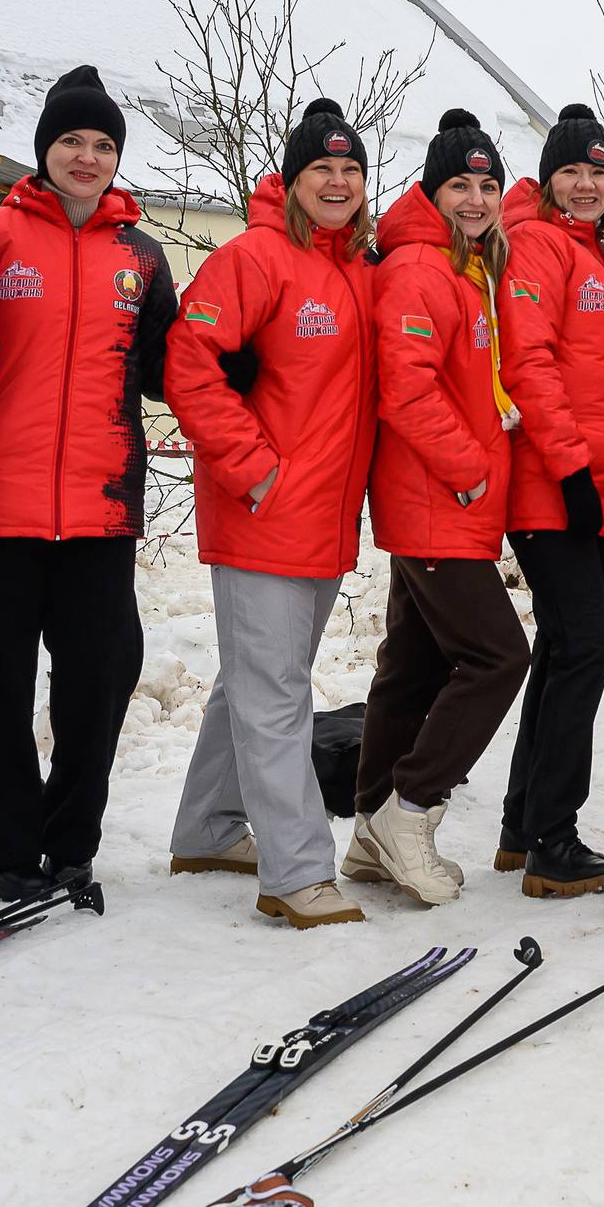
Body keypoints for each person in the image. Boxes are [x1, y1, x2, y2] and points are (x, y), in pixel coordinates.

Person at [0, 68, 177, 900]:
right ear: (43, 149)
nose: (88, 156)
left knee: (101, 676)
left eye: (105, 143)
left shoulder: (141, 256)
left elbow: (163, 369)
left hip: (99, 506)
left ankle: (70, 836)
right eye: (73, 141)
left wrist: (246, 360)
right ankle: (0, 846)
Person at [164, 99, 380, 930]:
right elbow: (189, 363)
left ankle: (208, 827)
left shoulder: (359, 267)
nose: (337, 181)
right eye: (321, 168)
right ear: (291, 181)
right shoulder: (257, 257)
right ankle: (296, 872)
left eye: (350, 169)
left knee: (253, 682)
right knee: (275, 691)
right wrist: (254, 471)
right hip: (265, 510)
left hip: (323, 518)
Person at [346, 109, 532, 907]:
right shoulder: (422, 267)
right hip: (436, 498)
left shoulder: (465, 265)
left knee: (413, 665)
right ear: (432, 189)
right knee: (498, 657)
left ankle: (366, 830)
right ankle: (410, 809)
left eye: (488, 184)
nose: (478, 197)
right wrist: (467, 471)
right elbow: (408, 386)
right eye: (461, 182)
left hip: (448, 499)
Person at [489, 102, 604, 898]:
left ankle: (522, 824)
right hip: (551, 486)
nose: (586, 184)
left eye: (597, 171)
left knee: (561, 647)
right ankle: (553, 837)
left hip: (588, 490)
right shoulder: (541, 247)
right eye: (572, 171)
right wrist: (576, 471)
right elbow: (529, 363)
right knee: (584, 648)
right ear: (549, 179)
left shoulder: (603, 257)